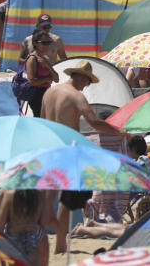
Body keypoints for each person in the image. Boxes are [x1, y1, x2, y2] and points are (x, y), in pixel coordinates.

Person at [42, 61, 128, 253]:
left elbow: (41, 120)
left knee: (48, 200)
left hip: (50, 147)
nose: (86, 87)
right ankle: (61, 244)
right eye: (87, 83)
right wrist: (120, 132)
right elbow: (94, 121)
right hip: (68, 148)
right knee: (65, 199)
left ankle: (44, 241)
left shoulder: (49, 92)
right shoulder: (76, 96)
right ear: (82, 78)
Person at [0, 189, 53, 266]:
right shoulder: (40, 193)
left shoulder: (9, 194)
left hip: (12, 243)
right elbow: (43, 223)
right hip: (32, 243)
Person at [24, 30, 60, 118]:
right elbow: (32, 81)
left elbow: (56, 78)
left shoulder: (44, 58)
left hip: (45, 93)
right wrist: (48, 78)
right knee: (40, 120)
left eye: (49, 42)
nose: (47, 45)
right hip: (36, 95)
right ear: (35, 44)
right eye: (44, 43)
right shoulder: (32, 59)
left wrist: (48, 66)